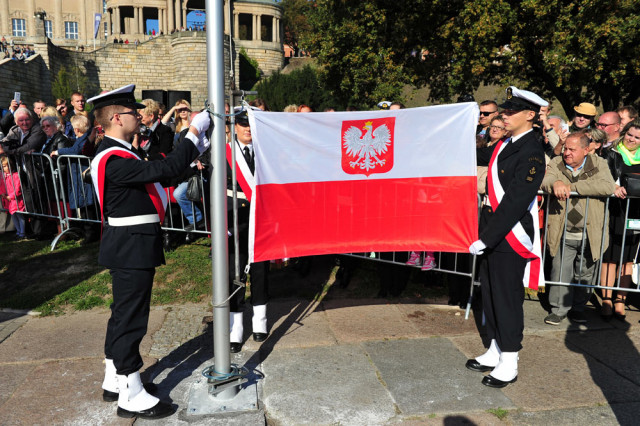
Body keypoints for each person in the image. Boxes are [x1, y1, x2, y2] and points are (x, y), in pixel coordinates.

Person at [88, 84, 209, 419]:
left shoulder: (122, 154)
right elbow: (165, 170)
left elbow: (163, 173)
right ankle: (131, 391)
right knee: (131, 319)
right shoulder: (113, 159)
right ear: (115, 118)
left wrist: (194, 149)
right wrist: (193, 131)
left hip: (130, 245)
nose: (138, 116)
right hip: (131, 247)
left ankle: (115, 378)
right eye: (132, 112)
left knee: (122, 314)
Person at [467, 86, 547, 388]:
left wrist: (488, 238)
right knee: (489, 293)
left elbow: (515, 201)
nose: (505, 114)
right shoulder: (507, 143)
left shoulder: (531, 151)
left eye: (512, 111)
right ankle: (496, 348)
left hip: (508, 235)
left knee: (506, 297)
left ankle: (510, 358)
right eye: (505, 109)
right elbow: (479, 154)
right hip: (491, 229)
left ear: (530, 115)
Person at [541, 133, 615, 325]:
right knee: (559, 271)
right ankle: (558, 310)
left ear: (586, 150)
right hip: (563, 230)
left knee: (586, 272)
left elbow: (607, 186)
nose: (567, 153)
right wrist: (555, 183)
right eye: (566, 148)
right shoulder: (557, 162)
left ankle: (578, 308)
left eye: (572, 149)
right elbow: (545, 180)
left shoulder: (599, 164)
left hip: (590, 233)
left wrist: (573, 187)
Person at [227, 107, 270, 353]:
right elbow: (215, 193)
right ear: (234, 126)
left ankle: (260, 322)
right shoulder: (224, 154)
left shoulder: (265, 153)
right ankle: (235, 329)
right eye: (242, 124)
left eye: (250, 124)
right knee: (235, 276)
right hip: (236, 222)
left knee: (261, 272)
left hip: (260, 222)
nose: (247, 129)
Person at [597, 119, 640, 322]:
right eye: (630, 134)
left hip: (636, 213)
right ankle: (607, 298)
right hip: (615, 211)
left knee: (628, 259)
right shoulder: (610, 153)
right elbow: (602, 178)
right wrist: (613, 188)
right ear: (624, 133)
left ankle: (621, 300)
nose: (632, 139)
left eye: (637, 137)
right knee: (610, 257)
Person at [0, 156, 26, 240]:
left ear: (11, 165)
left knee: (19, 215)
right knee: (13, 216)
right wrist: (3, 194)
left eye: (7, 165)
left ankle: (22, 232)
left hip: (16, 200)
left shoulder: (15, 175)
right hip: (8, 201)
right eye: (3, 166)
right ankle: (18, 231)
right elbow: (1, 186)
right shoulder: (2, 176)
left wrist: (10, 196)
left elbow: (17, 188)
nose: (5, 168)